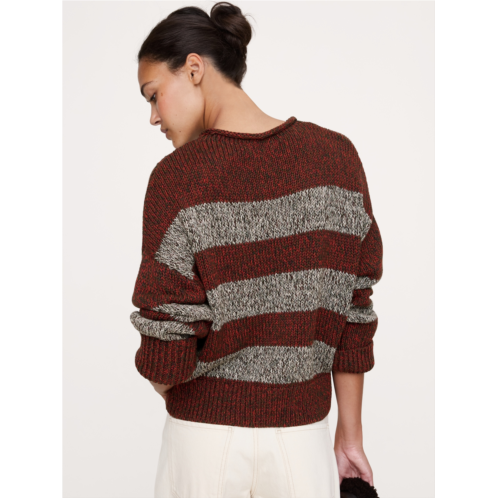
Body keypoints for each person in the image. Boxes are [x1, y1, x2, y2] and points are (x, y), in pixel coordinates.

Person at [131, 3, 383, 497]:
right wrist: (350, 437)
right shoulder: (337, 158)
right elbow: (355, 310)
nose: (154, 116)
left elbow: (165, 340)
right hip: (303, 442)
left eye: (154, 94)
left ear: (194, 68)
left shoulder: (177, 178)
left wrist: (177, 386)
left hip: (202, 441)